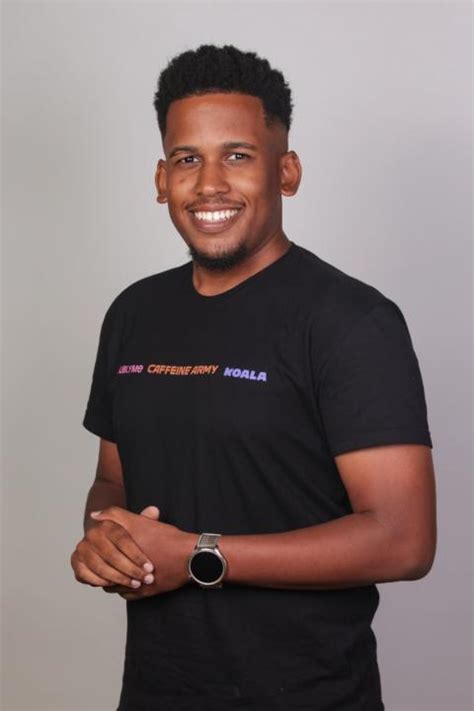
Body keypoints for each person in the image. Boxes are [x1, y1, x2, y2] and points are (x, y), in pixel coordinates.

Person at [71, 44, 437, 711]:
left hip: (311, 695)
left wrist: (199, 555)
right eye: (188, 159)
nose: (210, 183)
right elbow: (114, 479)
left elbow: (404, 539)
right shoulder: (133, 313)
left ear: (285, 171)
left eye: (237, 155)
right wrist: (107, 538)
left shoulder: (351, 321)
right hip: (155, 690)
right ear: (162, 179)